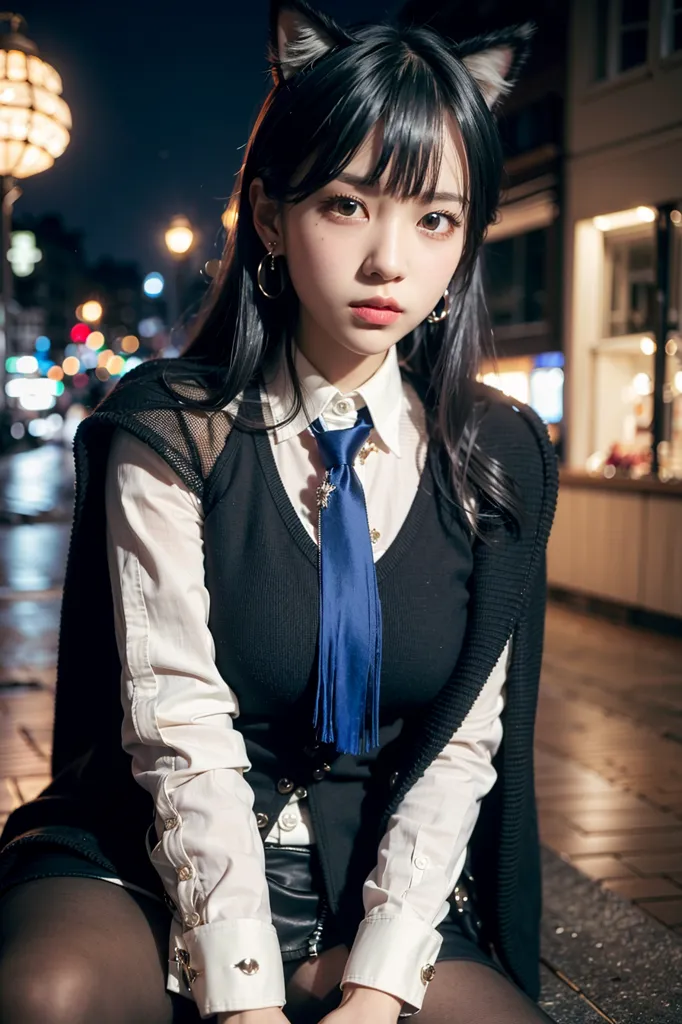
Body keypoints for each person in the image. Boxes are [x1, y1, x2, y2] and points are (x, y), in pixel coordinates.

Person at [0, 2, 559, 1022]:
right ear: (269, 216)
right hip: (150, 857)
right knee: (49, 993)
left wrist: (380, 983)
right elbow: (177, 726)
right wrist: (244, 985)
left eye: (433, 217)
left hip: (371, 880)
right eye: (347, 204)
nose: (391, 258)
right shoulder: (174, 426)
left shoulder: (498, 457)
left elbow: (459, 753)